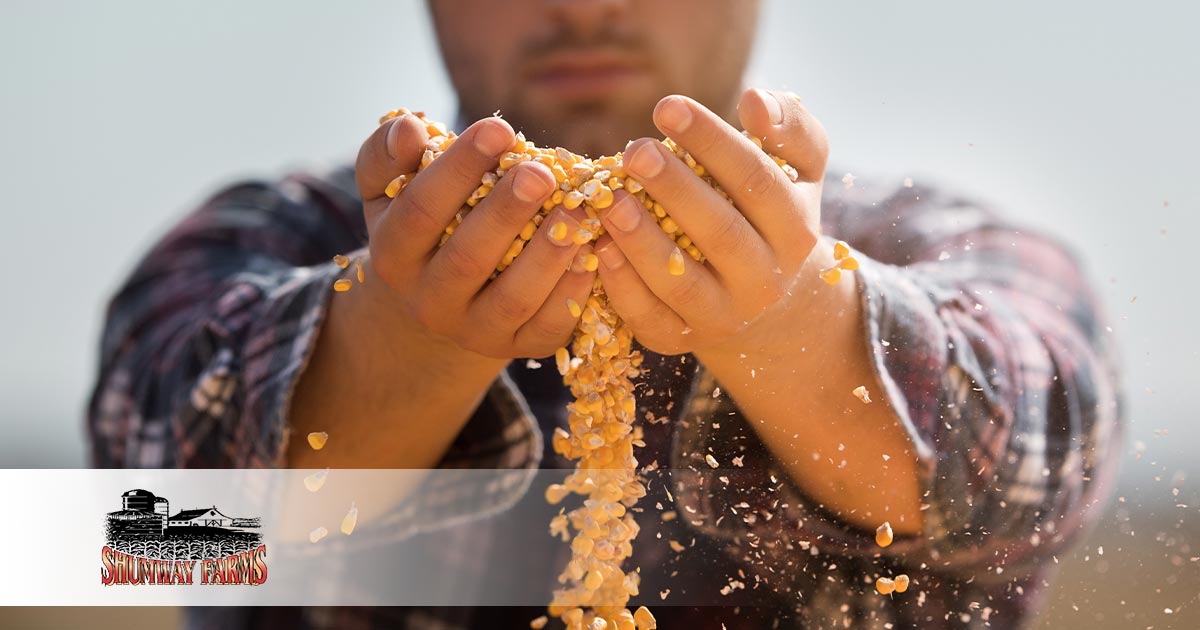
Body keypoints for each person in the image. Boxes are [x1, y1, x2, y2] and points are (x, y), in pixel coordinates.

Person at [87, 1, 1122, 628]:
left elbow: (1030, 475)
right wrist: (401, 338)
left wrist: (796, 324)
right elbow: (122, 542)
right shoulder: (274, 239)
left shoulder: (931, 242)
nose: (582, 7)